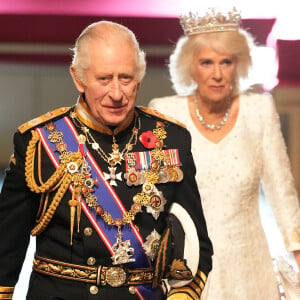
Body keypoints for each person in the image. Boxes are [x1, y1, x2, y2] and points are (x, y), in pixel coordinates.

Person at [0, 21, 213, 300]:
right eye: (104, 79)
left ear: (139, 77)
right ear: (78, 78)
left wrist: (182, 295)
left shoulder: (170, 139)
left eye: (125, 78)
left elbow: (195, 241)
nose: (116, 94)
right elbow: (6, 251)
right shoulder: (39, 142)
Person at [149, 7, 300, 300]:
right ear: (190, 67)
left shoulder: (259, 111)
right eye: (206, 62)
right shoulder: (166, 112)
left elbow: (283, 194)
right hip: (186, 268)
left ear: (238, 64)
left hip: (250, 270)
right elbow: (153, 197)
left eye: (226, 62)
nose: (217, 74)